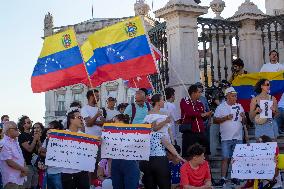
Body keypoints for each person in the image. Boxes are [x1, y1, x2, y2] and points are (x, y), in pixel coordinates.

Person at [140, 94, 185, 189]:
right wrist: (165, 122)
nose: (164, 101)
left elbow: (168, 130)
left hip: (166, 143)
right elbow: (152, 128)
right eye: (162, 100)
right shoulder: (149, 114)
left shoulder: (164, 113)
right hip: (157, 145)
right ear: (158, 102)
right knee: (160, 178)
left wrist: (172, 141)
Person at [213, 87, 247, 186]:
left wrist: (244, 117)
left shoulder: (239, 106)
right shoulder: (221, 107)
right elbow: (215, 120)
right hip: (226, 137)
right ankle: (223, 178)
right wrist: (226, 118)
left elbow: (244, 122)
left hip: (238, 137)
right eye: (233, 96)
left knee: (236, 158)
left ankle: (235, 177)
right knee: (225, 158)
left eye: (236, 96)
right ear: (227, 96)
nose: (235, 97)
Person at [180, 85, 212, 157]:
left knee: (205, 152)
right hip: (190, 131)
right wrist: (202, 114)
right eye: (199, 92)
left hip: (201, 131)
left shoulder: (200, 103)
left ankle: (205, 167)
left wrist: (206, 115)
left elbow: (203, 116)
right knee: (189, 154)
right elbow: (189, 112)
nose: (200, 94)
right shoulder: (185, 100)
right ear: (193, 93)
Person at [61, 109, 90, 189]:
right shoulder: (61, 136)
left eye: (82, 118)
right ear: (71, 119)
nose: (82, 120)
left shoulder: (86, 137)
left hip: (82, 173)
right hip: (66, 173)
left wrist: (98, 142)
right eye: (79, 117)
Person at [111, 114, 140, 189]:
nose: (113, 123)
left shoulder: (134, 132)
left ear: (121, 121)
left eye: (115, 121)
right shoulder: (110, 133)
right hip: (116, 163)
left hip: (130, 163)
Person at [260, 50, 284, 134]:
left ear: (277, 57)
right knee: (267, 108)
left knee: (276, 108)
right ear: (269, 56)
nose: (274, 56)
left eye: (275, 55)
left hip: (278, 92)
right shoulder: (265, 66)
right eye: (272, 54)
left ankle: (278, 127)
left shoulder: (281, 66)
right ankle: (268, 127)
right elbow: (261, 77)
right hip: (268, 91)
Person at [0, 121, 28, 189]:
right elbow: (9, 162)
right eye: (16, 129)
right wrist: (24, 169)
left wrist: (24, 169)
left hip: (21, 177)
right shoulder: (4, 143)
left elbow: (21, 157)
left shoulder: (16, 142)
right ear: (9, 130)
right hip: (11, 179)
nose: (18, 130)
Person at [18, 116, 40, 189]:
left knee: (35, 185)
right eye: (28, 122)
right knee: (27, 186)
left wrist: (38, 140)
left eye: (31, 122)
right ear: (23, 125)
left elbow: (38, 150)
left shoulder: (32, 135)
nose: (30, 123)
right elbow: (29, 149)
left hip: (35, 164)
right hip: (27, 165)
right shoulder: (21, 136)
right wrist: (34, 140)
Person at [41, 120, 64, 189]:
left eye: (50, 128)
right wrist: (52, 154)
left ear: (57, 129)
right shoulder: (47, 139)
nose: (48, 130)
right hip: (48, 171)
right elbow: (41, 151)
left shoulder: (64, 140)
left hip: (59, 172)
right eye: (48, 128)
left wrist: (49, 153)